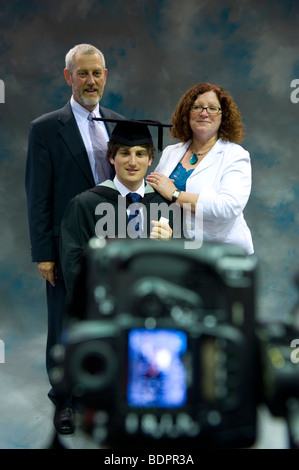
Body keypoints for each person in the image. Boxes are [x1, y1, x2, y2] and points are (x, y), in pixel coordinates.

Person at [25, 43, 124, 435]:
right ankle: (63, 400)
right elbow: (38, 196)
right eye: (82, 73)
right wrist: (43, 253)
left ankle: (98, 394)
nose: (91, 80)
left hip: (114, 243)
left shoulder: (119, 123)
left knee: (108, 318)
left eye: (97, 72)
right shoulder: (47, 128)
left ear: (106, 75)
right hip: (66, 246)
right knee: (64, 322)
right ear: (68, 76)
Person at [59, 119, 183, 302]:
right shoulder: (85, 205)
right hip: (106, 307)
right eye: (125, 153)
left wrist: (169, 245)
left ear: (150, 160)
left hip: (156, 308)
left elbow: (182, 265)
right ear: (111, 157)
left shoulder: (168, 206)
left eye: (140, 154)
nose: (133, 162)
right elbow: (73, 267)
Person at [146, 82, 254, 255]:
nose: (204, 113)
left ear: (223, 116)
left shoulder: (235, 156)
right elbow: (156, 195)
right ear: (187, 113)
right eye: (197, 107)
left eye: (213, 108)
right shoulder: (171, 153)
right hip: (179, 250)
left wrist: (175, 194)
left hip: (220, 253)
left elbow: (228, 207)